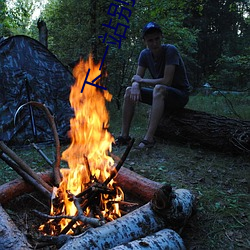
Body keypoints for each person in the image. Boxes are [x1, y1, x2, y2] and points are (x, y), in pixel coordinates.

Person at [115, 22, 191, 148]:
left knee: (159, 88)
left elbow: (167, 81)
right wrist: (134, 85)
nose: (154, 43)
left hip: (179, 95)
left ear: (161, 37)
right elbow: (136, 78)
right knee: (129, 91)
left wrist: (141, 81)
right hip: (160, 95)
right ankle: (124, 136)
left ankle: (149, 138)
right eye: (150, 40)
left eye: (157, 39)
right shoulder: (144, 54)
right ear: (145, 41)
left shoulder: (170, 50)